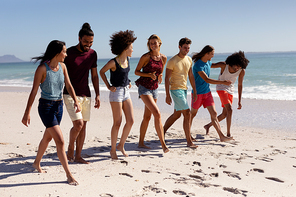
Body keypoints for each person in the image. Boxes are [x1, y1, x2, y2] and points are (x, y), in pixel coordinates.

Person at [21, 40, 80, 185]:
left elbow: (69, 85)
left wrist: (76, 101)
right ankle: (68, 175)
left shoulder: (63, 67)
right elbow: (34, 91)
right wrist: (27, 112)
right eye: (64, 52)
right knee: (60, 140)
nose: (66, 54)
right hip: (46, 107)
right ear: (56, 52)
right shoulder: (42, 69)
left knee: (47, 138)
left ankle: (36, 163)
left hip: (58, 107)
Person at [63, 23, 100, 164]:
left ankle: (78, 156)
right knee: (78, 124)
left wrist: (97, 95)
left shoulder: (92, 54)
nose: (88, 45)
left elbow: (95, 76)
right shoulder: (69, 53)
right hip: (70, 94)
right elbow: (60, 72)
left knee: (83, 126)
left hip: (86, 94)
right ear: (79, 38)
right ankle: (71, 146)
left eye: (91, 42)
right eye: (86, 41)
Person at [100, 30, 137, 160]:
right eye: (131, 47)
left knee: (131, 120)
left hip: (126, 91)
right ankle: (112, 150)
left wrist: (129, 82)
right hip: (116, 94)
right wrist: (109, 86)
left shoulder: (127, 59)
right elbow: (102, 72)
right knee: (117, 122)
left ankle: (121, 145)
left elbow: (125, 75)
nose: (133, 50)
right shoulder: (113, 62)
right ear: (125, 48)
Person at [190, 45, 233, 142]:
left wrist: (228, 64)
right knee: (192, 114)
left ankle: (221, 136)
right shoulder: (198, 65)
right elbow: (207, 79)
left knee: (214, 114)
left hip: (207, 93)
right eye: (212, 54)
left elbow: (215, 65)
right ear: (207, 53)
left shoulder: (208, 62)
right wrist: (223, 82)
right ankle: (188, 134)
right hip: (197, 93)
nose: (213, 56)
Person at [135, 34, 169, 153]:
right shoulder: (145, 57)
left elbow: (161, 71)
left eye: (155, 43)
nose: (153, 45)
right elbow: (136, 72)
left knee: (147, 116)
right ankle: (163, 145)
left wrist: (159, 76)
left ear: (159, 43)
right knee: (157, 113)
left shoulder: (163, 58)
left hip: (155, 88)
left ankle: (140, 142)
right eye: (151, 43)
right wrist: (149, 75)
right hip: (144, 88)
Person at [204, 51, 249, 137]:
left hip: (230, 89)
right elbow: (209, 65)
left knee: (224, 114)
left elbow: (240, 85)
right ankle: (228, 134)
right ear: (233, 62)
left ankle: (208, 126)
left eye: (240, 66)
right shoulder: (224, 65)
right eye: (236, 65)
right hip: (221, 88)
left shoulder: (241, 71)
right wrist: (204, 58)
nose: (237, 68)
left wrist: (239, 101)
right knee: (230, 109)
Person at [163, 37, 197, 148]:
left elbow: (191, 75)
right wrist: (167, 95)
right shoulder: (172, 61)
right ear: (179, 47)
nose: (186, 50)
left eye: (188, 48)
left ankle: (161, 132)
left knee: (177, 114)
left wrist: (195, 90)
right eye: (185, 48)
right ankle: (188, 141)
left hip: (184, 89)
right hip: (175, 89)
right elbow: (167, 78)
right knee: (187, 113)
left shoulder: (189, 59)